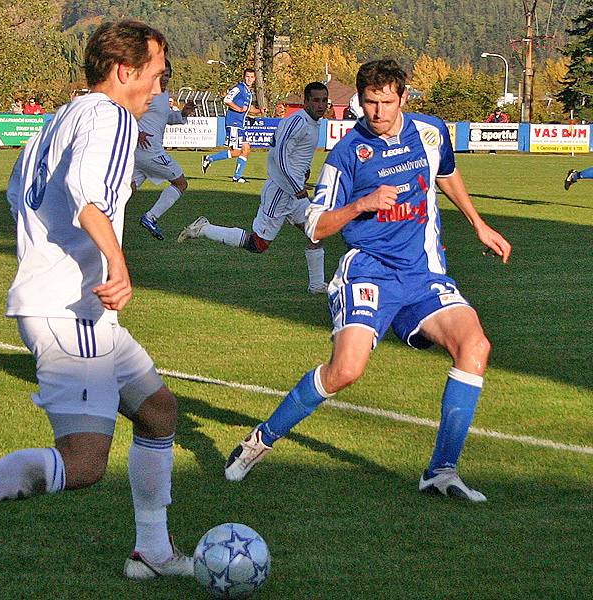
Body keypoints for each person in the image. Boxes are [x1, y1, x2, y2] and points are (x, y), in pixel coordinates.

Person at [0, 20, 194, 586]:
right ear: (124, 71)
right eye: (156, 75)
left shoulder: (62, 116)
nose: (159, 89)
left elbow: (17, 194)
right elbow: (88, 196)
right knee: (84, 463)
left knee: (158, 411)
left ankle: (151, 550)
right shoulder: (109, 118)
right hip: (72, 309)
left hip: (69, 304)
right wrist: (117, 262)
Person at [223, 60, 512, 503]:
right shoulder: (346, 156)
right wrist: (361, 205)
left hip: (422, 273)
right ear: (360, 100)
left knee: (475, 347)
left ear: (404, 98)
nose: (377, 112)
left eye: (386, 102)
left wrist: (478, 223)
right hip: (368, 272)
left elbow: (447, 173)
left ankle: (441, 471)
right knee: (345, 371)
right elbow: (315, 227)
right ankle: (260, 440)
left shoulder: (431, 133)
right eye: (370, 103)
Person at [178, 82, 332, 294]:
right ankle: (203, 228)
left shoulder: (313, 124)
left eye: (324, 100)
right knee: (258, 245)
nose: (321, 105)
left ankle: (316, 285)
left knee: (316, 232)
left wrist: (303, 172)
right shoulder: (297, 122)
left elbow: (286, 148)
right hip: (281, 191)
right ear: (305, 102)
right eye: (315, 100)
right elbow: (278, 155)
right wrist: (297, 184)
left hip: (294, 193)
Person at [133, 58, 196, 241]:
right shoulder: (144, 92)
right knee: (180, 182)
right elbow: (125, 112)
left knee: (127, 190)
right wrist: (136, 132)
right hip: (150, 150)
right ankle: (150, 217)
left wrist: (182, 114)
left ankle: (99, 216)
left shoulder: (162, 94)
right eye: (161, 74)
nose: (165, 78)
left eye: (167, 75)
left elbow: (165, 117)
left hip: (141, 152)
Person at [201, 68, 264, 183]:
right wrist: (239, 109)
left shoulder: (248, 92)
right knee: (238, 150)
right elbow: (227, 99)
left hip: (240, 124)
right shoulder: (239, 88)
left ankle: (235, 175)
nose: (249, 79)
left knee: (245, 149)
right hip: (234, 123)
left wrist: (260, 110)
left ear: (254, 79)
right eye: (247, 76)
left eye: (251, 77)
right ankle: (213, 161)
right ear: (244, 77)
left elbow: (248, 108)